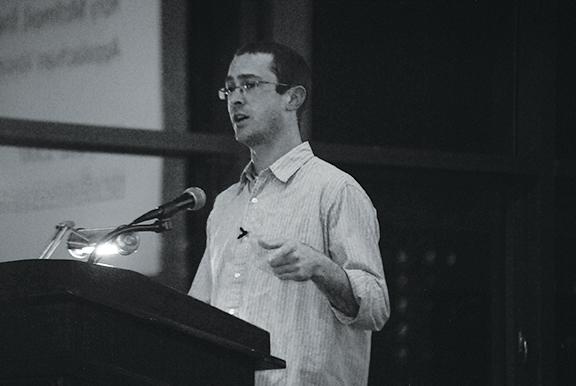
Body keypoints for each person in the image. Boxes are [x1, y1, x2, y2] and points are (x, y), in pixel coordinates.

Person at [188, 41, 390, 386]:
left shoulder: (335, 190)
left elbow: (376, 306)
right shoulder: (225, 205)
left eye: (250, 85)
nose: (236, 98)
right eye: (230, 88)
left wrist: (321, 267)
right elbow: (197, 313)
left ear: (293, 98)